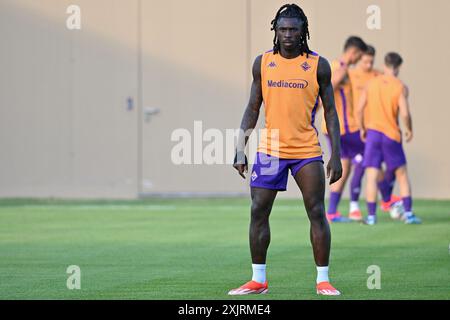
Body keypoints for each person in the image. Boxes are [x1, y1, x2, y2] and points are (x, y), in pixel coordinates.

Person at [229, 4, 342, 296]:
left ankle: (322, 280)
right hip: (270, 149)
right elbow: (252, 108)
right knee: (258, 211)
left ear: (304, 31)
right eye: (283, 29)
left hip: (307, 150)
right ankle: (258, 280)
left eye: (293, 29)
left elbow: (331, 112)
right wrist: (240, 148)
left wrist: (336, 155)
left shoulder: (319, 65)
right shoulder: (263, 63)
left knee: (316, 212)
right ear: (275, 32)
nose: (288, 35)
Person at [357, 52, 422, 225]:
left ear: (385, 65)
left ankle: (371, 217)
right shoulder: (399, 86)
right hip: (391, 135)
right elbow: (405, 113)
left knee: (371, 175)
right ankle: (408, 214)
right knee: (402, 175)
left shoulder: (371, 83)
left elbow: (359, 108)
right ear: (398, 67)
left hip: (372, 134)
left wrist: (362, 128)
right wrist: (409, 129)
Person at [349, 45, 403, 217]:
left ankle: (386, 199)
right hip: (356, 128)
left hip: (373, 129)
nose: (369, 64)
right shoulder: (350, 75)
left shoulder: (378, 76)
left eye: (371, 61)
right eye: (365, 60)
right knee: (361, 166)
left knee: (377, 168)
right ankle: (354, 206)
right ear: (359, 59)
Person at [322, 36, 367, 222]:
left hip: (339, 128)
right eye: (359, 57)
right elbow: (326, 90)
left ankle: (332, 211)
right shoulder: (339, 69)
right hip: (344, 128)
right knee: (374, 156)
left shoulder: (337, 67)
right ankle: (387, 200)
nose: (358, 61)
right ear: (353, 52)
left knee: (346, 167)